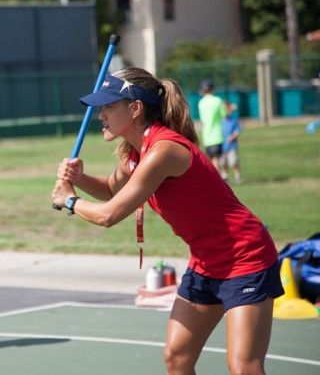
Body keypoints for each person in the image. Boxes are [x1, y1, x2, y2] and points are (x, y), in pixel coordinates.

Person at [51, 68, 283, 375]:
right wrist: (79, 179)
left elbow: (109, 215)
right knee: (177, 358)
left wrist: (68, 200)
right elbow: (111, 188)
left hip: (245, 258)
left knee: (243, 367)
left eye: (108, 106)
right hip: (206, 263)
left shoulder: (164, 151)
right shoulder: (134, 154)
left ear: (135, 108)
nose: (100, 114)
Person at [197, 80, 226, 173]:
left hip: (207, 137)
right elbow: (224, 115)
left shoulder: (201, 103)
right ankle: (217, 179)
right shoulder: (217, 101)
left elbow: (203, 120)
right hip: (217, 136)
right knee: (216, 160)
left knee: (212, 160)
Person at [221, 101, 242, 184]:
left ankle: (238, 176)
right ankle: (225, 177)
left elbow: (237, 131)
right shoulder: (219, 121)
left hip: (232, 146)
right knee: (223, 162)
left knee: (233, 162)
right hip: (222, 146)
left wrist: (233, 136)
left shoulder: (233, 120)